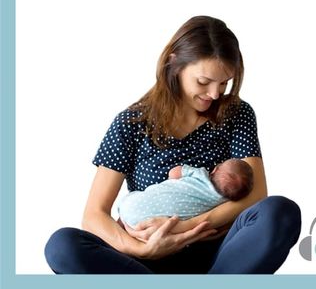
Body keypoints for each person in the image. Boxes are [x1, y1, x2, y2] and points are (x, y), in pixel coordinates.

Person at [44, 15, 301, 274]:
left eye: (224, 83)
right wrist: (142, 249)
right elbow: (94, 215)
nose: (214, 94)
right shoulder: (131, 122)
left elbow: (257, 196)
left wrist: (189, 227)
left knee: (279, 212)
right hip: (146, 261)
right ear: (174, 62)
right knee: (62, 245)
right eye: (203, 81)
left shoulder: (237, 114)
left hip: (221, 254)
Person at [118, 158, 254, 228]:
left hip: (131, 205)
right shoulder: (222, 203)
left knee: (131, 203)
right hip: (152, 226)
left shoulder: (200, 174)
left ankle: (123, 221)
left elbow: (174, 173)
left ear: (215, 169)